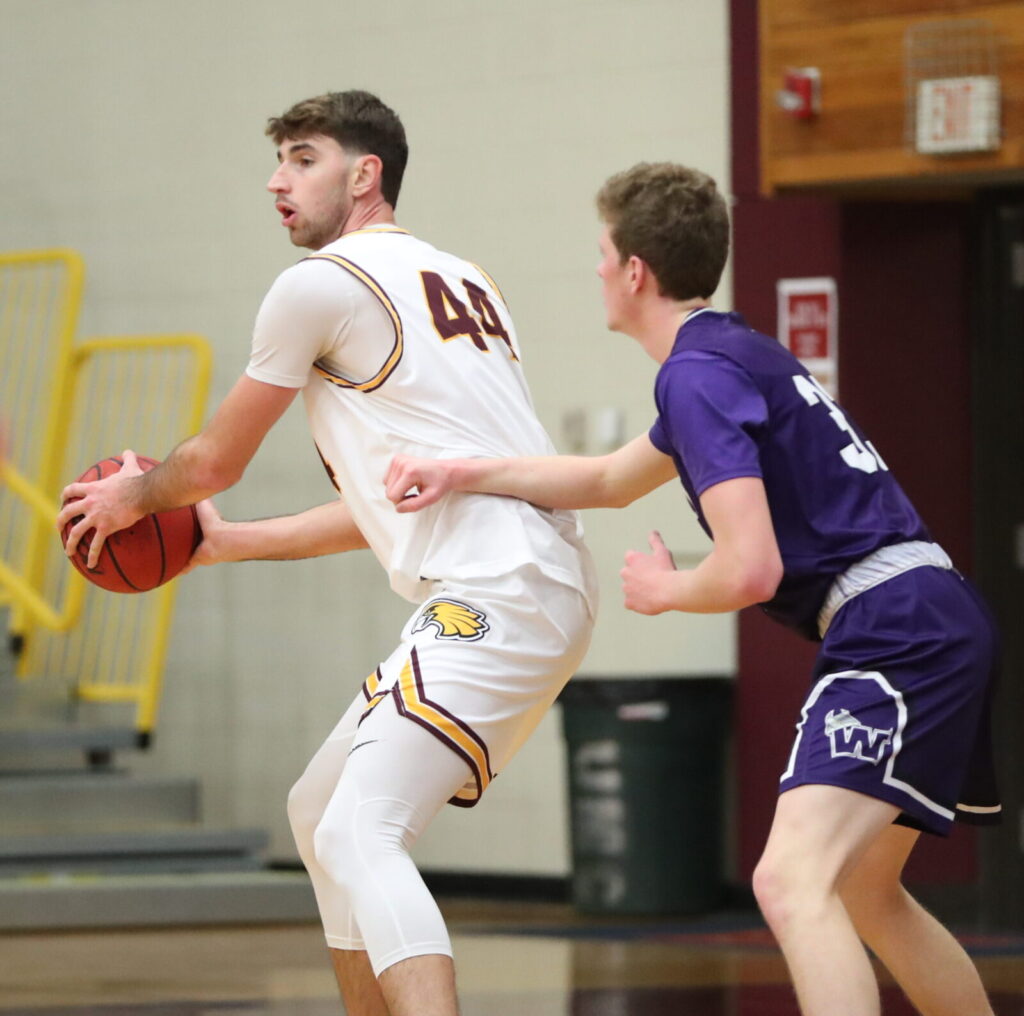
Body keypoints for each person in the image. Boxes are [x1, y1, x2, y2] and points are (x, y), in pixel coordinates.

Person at [384, 162, 1001, 1016]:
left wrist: (669, 590)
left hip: (897, 625)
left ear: (635, 269)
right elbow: (605, 478)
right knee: (862, 889)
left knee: (789, 883)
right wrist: (464, 471)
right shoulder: (728, 352)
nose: (595, 268)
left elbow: (752, 569)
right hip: (930, 612)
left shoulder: (696, 375)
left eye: (602, 252)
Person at [57, 90, 597, 1016]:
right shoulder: (462, 278)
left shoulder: (321, 285)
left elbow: (213, 460)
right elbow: (378, 512)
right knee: (321, 810)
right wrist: (223, 544)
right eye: (277, 162)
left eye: (302, 158)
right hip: (519, 576)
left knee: (361, 830)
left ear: (364, 173)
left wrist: (135, 495)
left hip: (497, 588)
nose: (278, 181)